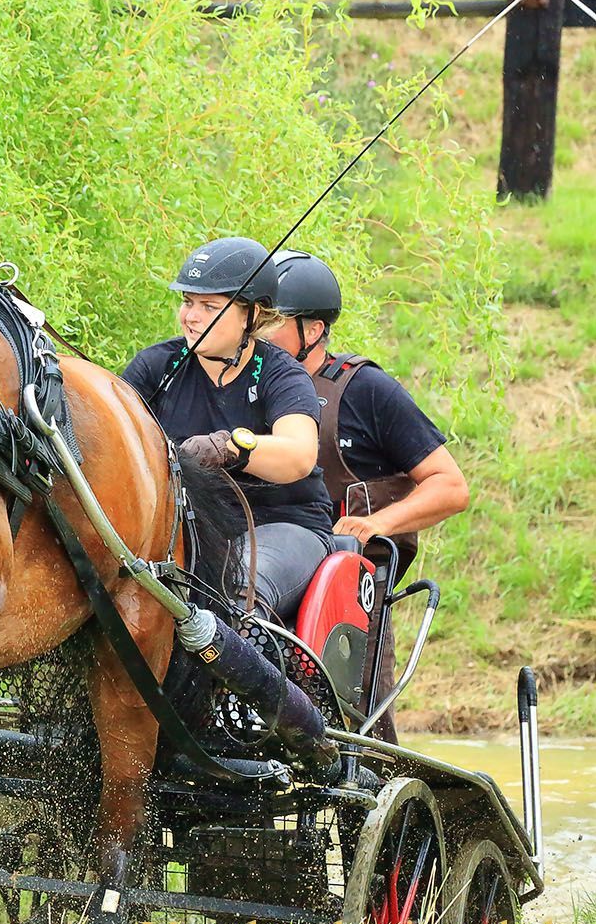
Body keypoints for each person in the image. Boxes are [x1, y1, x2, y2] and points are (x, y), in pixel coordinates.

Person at [267, 250, 470, 743]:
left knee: (362, 728)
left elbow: (451, 485)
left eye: (270, 321)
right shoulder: (246, 382)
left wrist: (378, 524)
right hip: (266, 564)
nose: (255, 332)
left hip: (349, 585)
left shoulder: (366, 390)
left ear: (311, 331)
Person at [122, 237, 335, 622]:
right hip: (186, 528)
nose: (191, 316)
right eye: (187, 302)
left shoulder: (280, 374)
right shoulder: (156, 367)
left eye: (209, 306)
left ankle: (246, 681)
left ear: (252, 316)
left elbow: (300, 456)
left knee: (239, 595)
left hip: (282, 522)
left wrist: (230, 447)